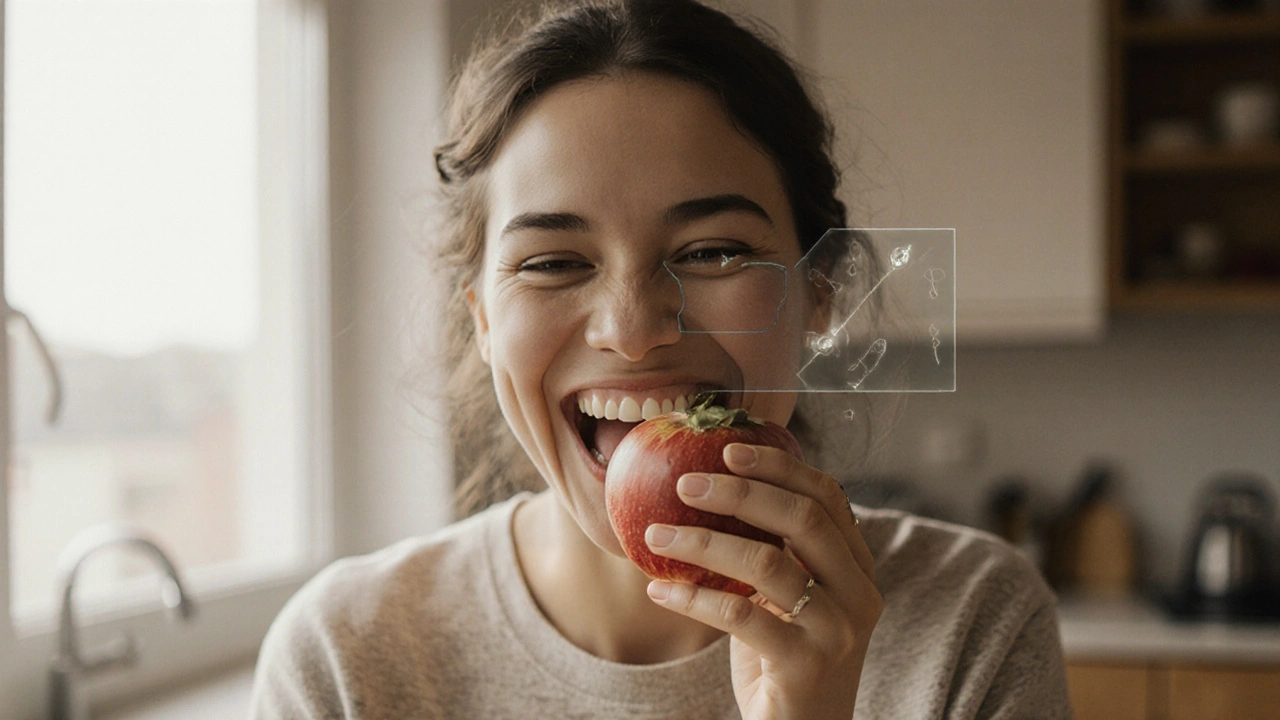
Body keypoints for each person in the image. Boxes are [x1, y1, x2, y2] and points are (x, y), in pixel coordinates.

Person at [248, 1, 1071, 718]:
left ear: (819, 292)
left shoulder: (972, 623)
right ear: (484, 321)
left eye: (712, 251)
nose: (633, 330)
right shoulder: (348, 658)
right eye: (553, 262)